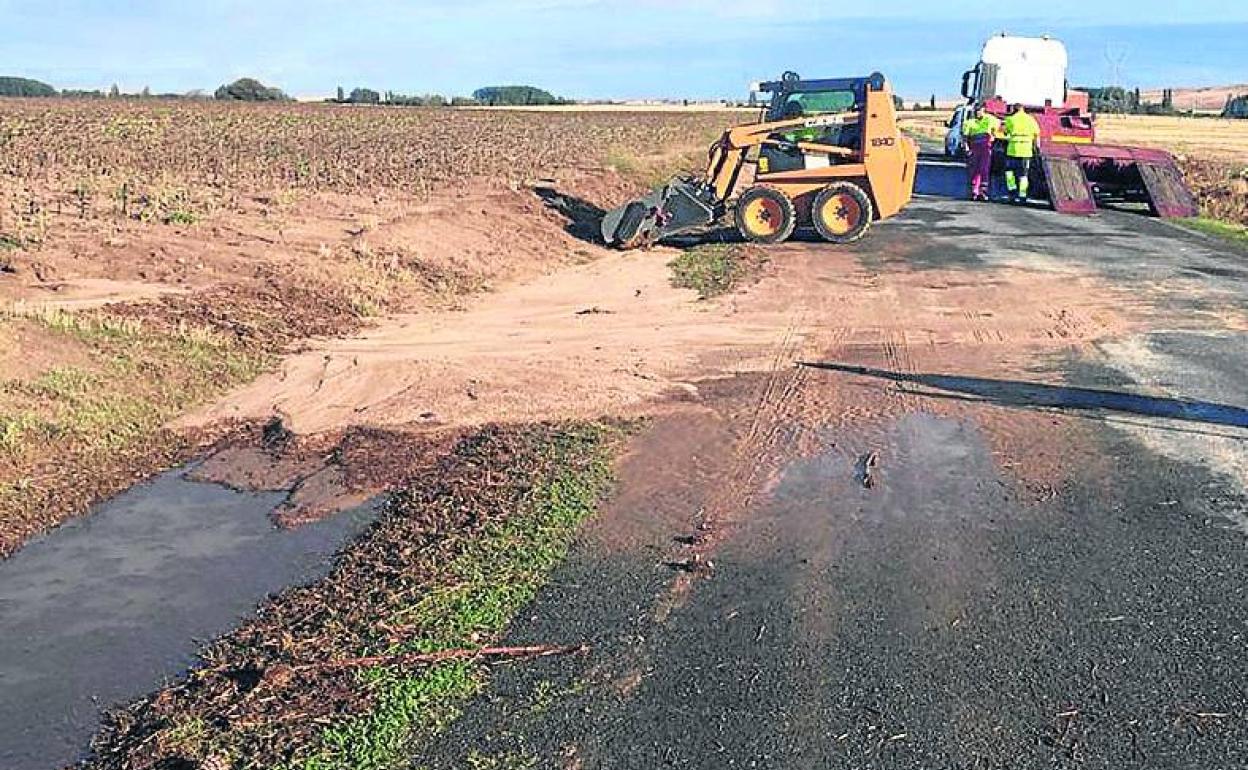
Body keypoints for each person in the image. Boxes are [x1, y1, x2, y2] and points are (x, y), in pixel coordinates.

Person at [1001, 103, 1042, 204]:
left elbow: (1004, 132)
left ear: (1014, 109)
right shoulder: (1031, 120)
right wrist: (1037, 148)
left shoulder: (1010, 119)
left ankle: (1012, 193)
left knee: (1009, 173)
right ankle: (1022, 195)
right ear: (1023, 109)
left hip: (1012, 150)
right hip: (1026, 151)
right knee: (1024, 175)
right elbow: (1037, 135)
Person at [961, 103, 1000, 201]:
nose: (978, 113)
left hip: (985, 149)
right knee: (974, 170)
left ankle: (983, 192)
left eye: (980, 111)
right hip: (974, 149)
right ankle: (974, 191)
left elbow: (997, 127)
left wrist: (993, 136)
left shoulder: (990, 119)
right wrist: (966, 149)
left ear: (984, 111)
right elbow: (965, 137)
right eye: (977, 111)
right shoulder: (969, 123)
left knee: (984, 170)